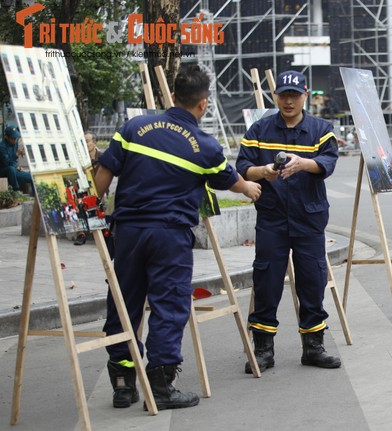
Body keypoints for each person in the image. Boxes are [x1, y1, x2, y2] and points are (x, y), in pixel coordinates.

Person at [94, 65, 262, 410]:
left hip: (127, 231)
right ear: (203, 104)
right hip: (169, 235)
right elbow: (229, 180)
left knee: (124, 302)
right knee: (169, 304)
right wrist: (250, 188)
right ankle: (160, 384)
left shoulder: (134, 127)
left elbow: (105, 169)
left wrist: (89, 212)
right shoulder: (204, 145)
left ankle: (123, 382)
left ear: (173, 96)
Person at [236, 70, 340, 374]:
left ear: (305, 95)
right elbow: (242, 167)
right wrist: (264, 170)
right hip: (272, 217)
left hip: (309, 218)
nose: (289, 101)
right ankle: (263, 349)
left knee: (312, 280)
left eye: (294, 95)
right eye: (283, 95)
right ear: (275, 96)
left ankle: (313, 347)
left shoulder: (320, 129)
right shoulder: (259, 129)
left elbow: (329, 162)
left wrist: (302, 164)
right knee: (266, 282)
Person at [73, 131, 103, 246]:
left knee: (95, 200)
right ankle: (81, 233)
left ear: (94, 142)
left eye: (87, 141)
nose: (85, 144)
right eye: (82, 142)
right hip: (83, 187)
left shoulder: (101, 157)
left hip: (97, 187)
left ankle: (98, 232)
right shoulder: (80, 158)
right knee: (77, 202)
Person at [0, 125, 33, 193]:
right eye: (13, 138)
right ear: (7, 137)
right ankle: (16, 191)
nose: (15, 140)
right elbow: (6, 163)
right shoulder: (2, 147)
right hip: (4, 170)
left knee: (31, 176)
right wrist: (16, 155)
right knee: (11, 169)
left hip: (14, 169)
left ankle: (35, 195)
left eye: (15, 138)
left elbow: (13, 162)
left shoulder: (14, 143)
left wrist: (17, 166)